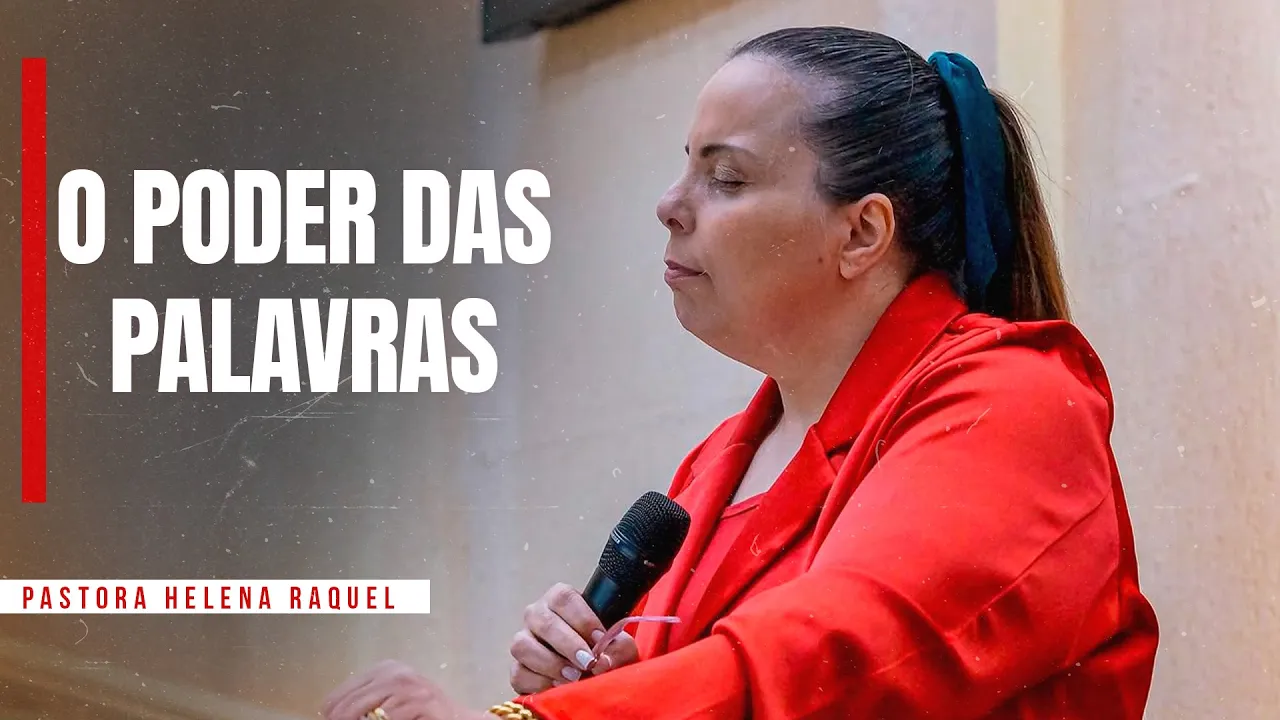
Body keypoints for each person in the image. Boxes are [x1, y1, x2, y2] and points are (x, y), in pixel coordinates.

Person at [321, 25, 1160, 720]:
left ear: (863, 233)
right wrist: (596, 687)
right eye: (687, 164)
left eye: (725, 178)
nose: (670, 204)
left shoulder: (1013, 399)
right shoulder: (714, 465)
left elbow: (834, 661)